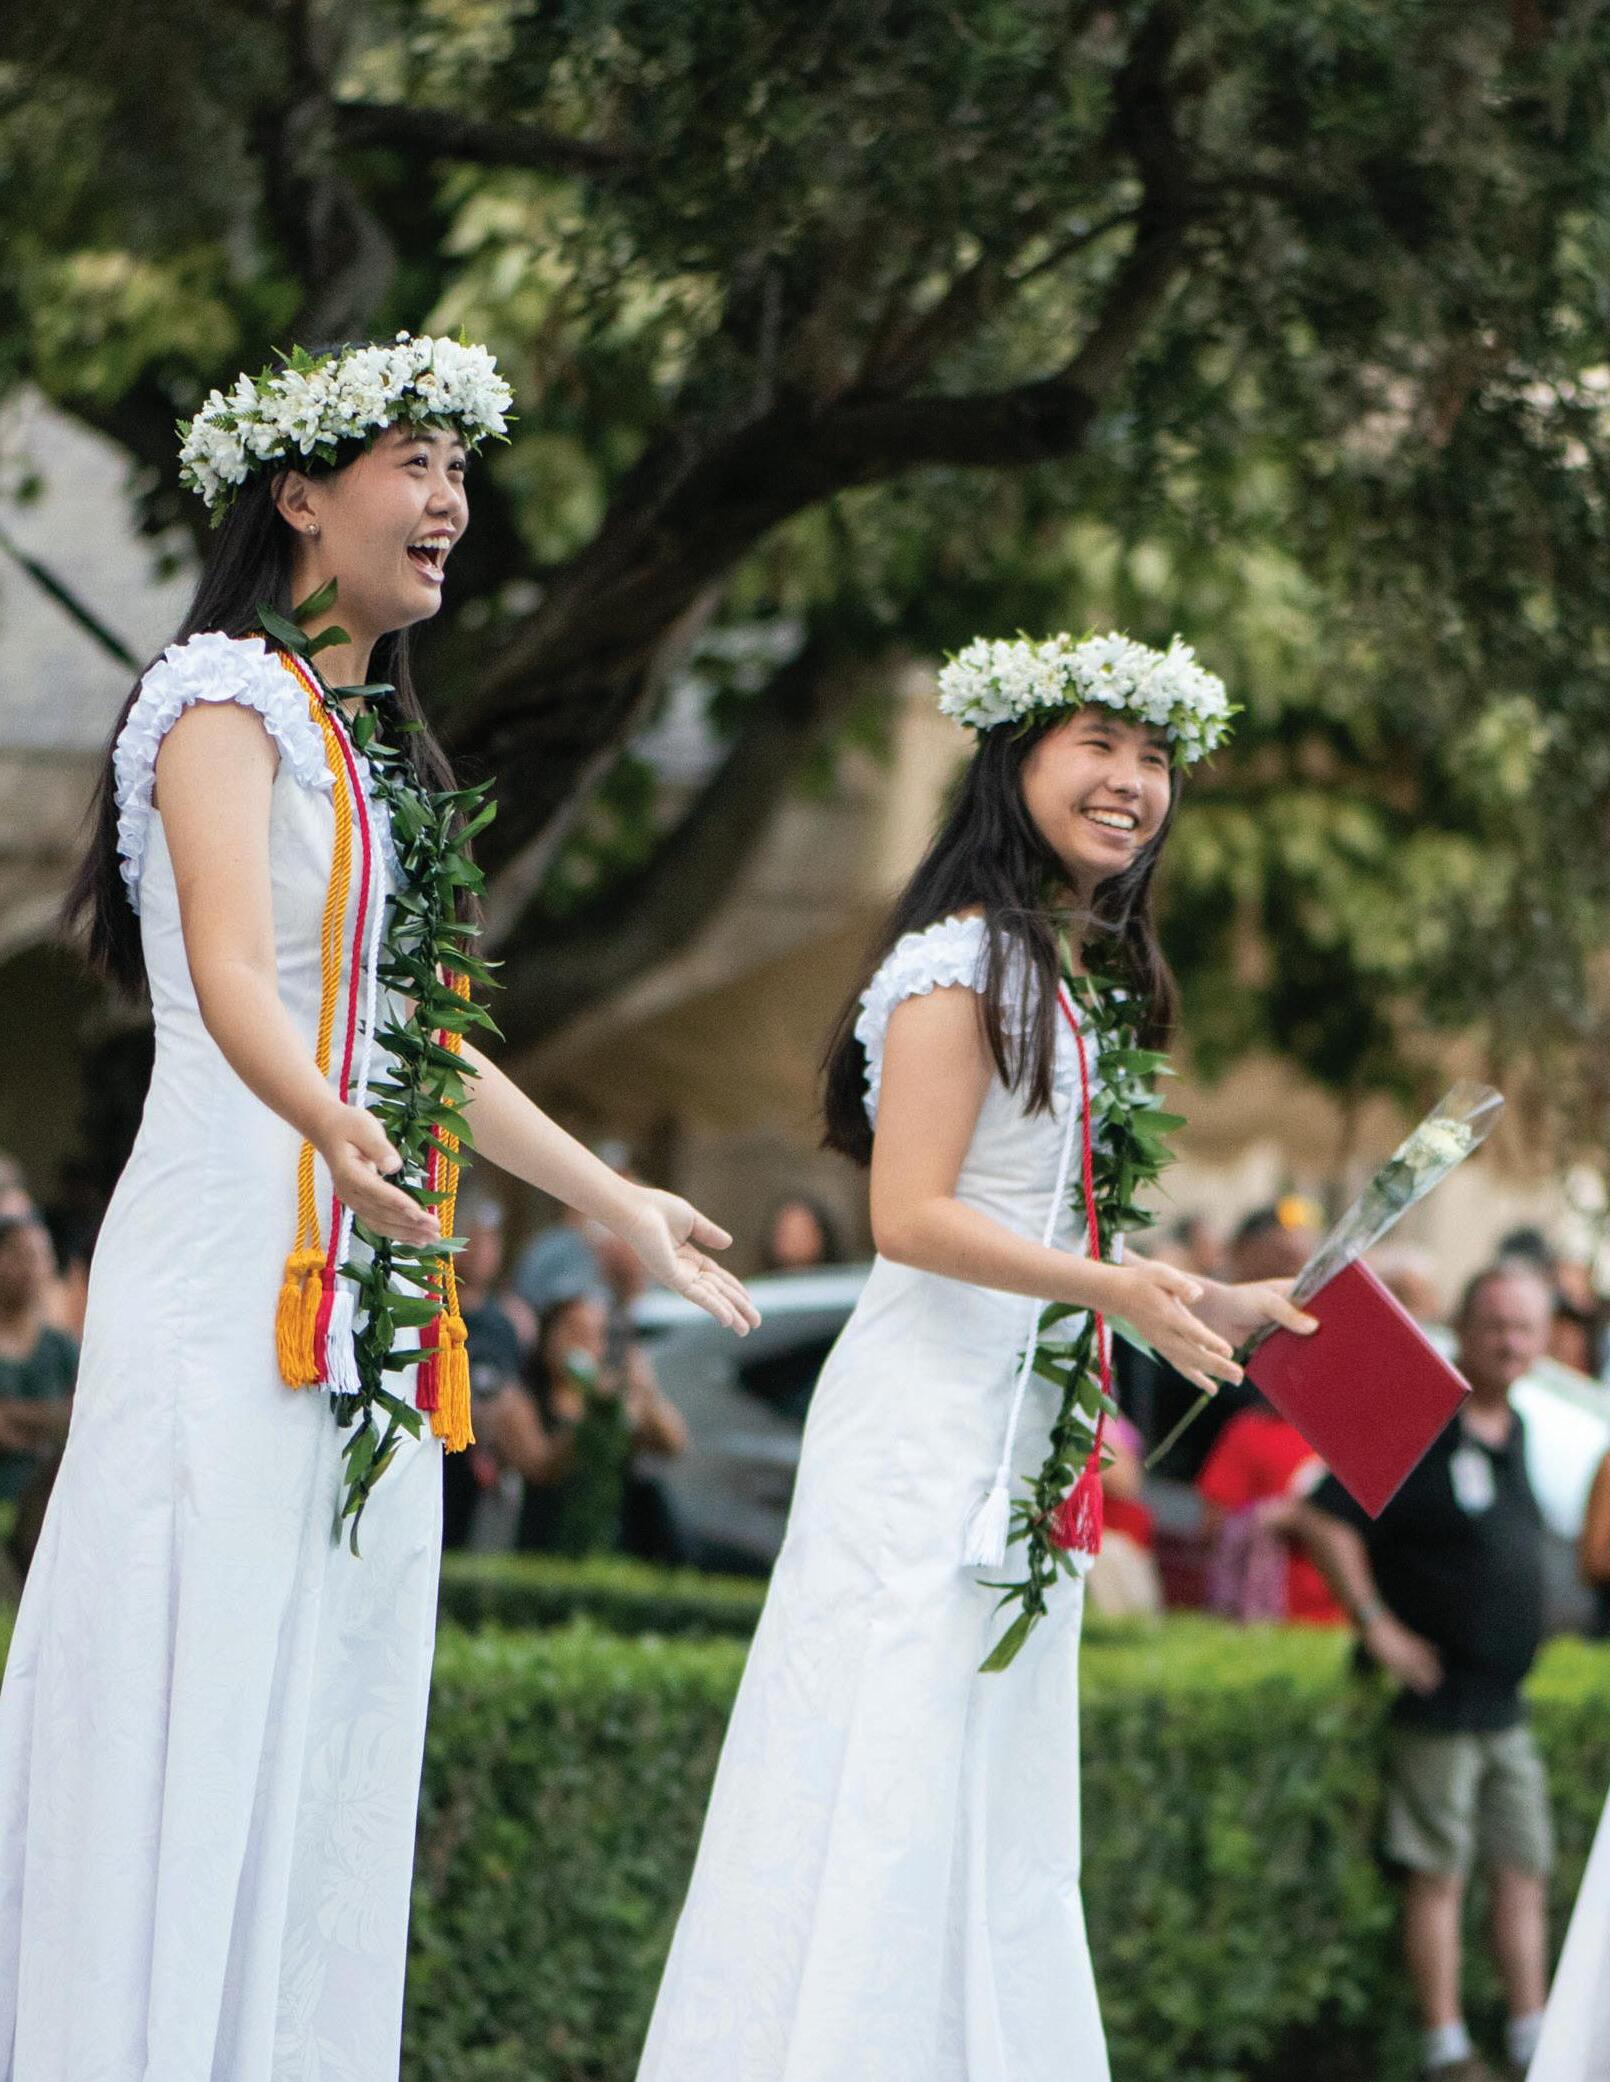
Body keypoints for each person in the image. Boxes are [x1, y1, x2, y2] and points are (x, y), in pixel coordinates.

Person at [0, 333, 758, 2082]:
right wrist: (330, 1120)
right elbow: (224, 970)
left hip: (365, 1282)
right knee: (193, 1671)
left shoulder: (380, 753)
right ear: (297, 494)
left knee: (321, 1695)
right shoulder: (219, 697)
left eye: (459, 470)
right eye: (414, 464)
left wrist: (617, 1196)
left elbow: (423, 1037)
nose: (450, 503)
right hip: (227, 1257)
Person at [636, 629, 1315, 2082]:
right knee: (886, 1769)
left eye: (1153, 757)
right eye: (1098, 746)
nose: (1131, 782)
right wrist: (1114, 1288)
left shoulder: (1066, 973)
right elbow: (911, 1216)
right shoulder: (957, 961)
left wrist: (1203, 1295)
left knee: (986, 1791)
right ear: (1012, 762)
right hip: (922, 1430)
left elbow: (1049, 1218)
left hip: (1019, 1438)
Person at [1300, 1263, 1555, 2082]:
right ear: (1463, 1332)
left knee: (1523, 1869)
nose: (1509, 1343)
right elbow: (1326, 1517)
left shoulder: (1518, 1429)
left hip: (1505, 1704)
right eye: (1495, 1325)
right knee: (1438, 1876)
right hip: (1438, 1700)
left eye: (1524, 1327)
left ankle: (1532, 2038)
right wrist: (1376, 1624)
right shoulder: (1418, 1421)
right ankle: (1447, 2050)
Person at [488, 1290, 689, 1557]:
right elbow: (540, 1467)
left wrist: (643, 1390)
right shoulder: (521, 1399)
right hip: (546, 1537)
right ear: (548, 1336)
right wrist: (592, 1415)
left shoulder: (613, 1397)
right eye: (573, 1331)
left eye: (593, 1335)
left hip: (613, 1538)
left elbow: (673, 1443)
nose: (581, 1342)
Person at [1197, 1394, 1342, 1625]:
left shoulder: (1357, 1437)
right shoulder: (1253, 1430)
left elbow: (1212, 1528)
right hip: (1272, 1612)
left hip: (1341, 1613)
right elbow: (1214, 1524)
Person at [0, 1216, 77, 1511]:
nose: (33, 1268)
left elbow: (80, 1419)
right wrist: (49, 1420)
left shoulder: (62, 1348)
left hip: (47, 1507)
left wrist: (13, 1414)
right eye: (21, 1256)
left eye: (42, 1257)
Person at [758, 1192, 844, 1273]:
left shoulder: (841, 1280)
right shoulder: (760, 1282)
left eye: (802, 1234)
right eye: (786, 1234)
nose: (794, 1242)